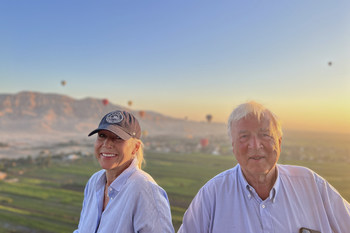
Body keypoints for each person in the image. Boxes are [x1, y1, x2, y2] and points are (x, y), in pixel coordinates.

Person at [178, 101, 350, 233]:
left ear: (279, 142)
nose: (255, 145)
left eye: (265, 135)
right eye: (244, 137)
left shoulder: (312, 185)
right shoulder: (211, 195)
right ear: (233, 146)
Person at [74, 110, 174, 233]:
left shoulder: (145, 191)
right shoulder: (94, 182)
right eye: (102, 136)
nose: (107, 144)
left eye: (118, 138)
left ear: (135, 147)